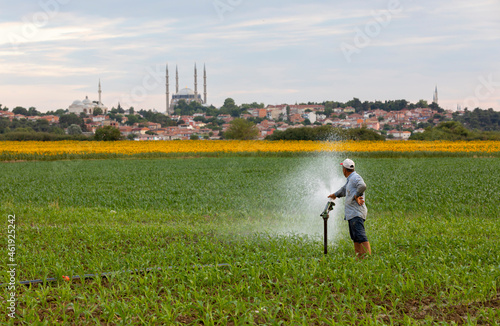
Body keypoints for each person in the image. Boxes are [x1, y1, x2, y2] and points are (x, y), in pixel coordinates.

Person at [328, 158, 371, 259]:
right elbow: (344, 190)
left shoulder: (355, 178)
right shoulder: (350, 179)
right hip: (352, 213)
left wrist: (357, 195)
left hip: (356, 212)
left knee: (360, 236)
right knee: (355, 237)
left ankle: (368, 259)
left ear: (344, 169)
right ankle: (359, 257)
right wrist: (334, 195)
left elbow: (362, 186)